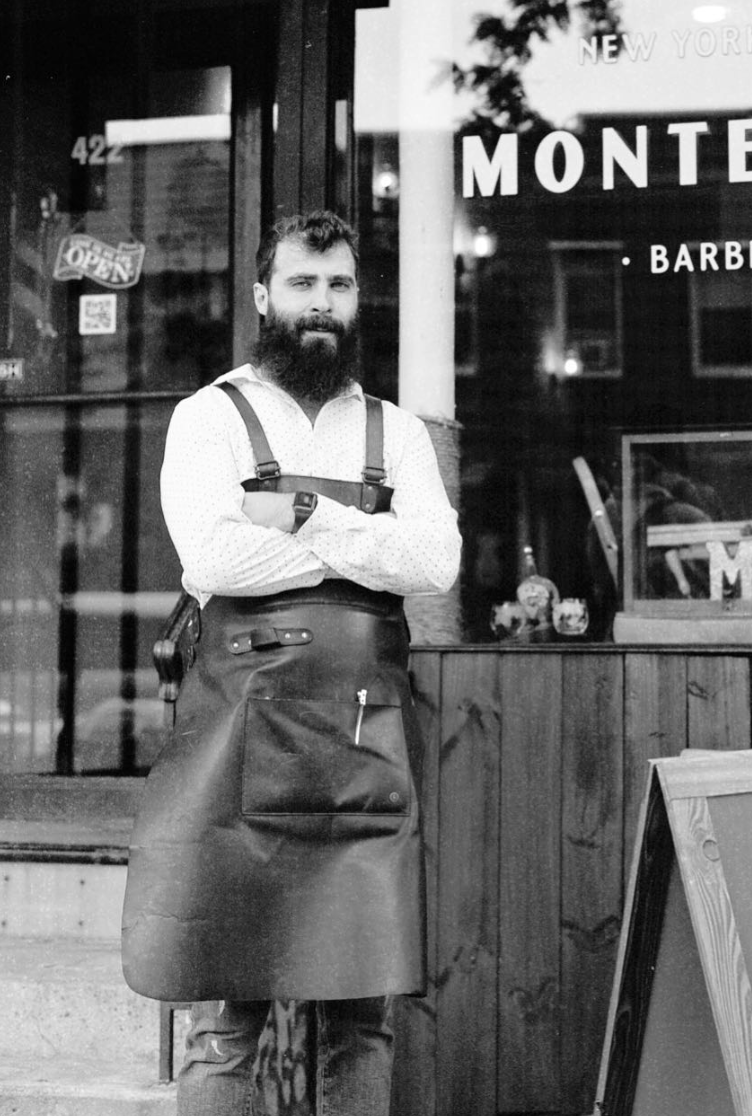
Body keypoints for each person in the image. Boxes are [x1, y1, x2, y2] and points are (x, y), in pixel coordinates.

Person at [121, 210, 461, 1115]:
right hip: (239, 751)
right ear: (264, 296)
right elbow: (214, 559)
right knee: (228, 1020)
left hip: (365, 754)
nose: (321, 302)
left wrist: (303, 514)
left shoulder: (397, 431)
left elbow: (435, 562)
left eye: (338, 284)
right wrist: (365, 545)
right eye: (303, 283)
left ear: (358, 299)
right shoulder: (210, 416)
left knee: (363, 1017)